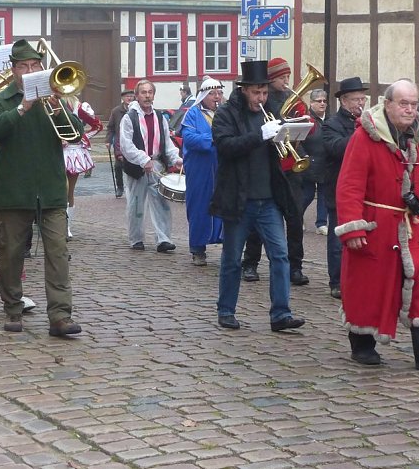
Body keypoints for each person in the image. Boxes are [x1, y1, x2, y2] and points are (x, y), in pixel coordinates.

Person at [335, 79, 419, 369]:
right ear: (388, 104)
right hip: (376, 225)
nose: (410, 109)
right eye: (403, 103)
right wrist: (353, 227)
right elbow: (349, 185)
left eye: (413, 104)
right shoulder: (364, 138)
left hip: (414, 223)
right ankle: (362, 344)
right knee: (369, 287)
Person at [0, 39, 84, 335]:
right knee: (10, 253)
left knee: (58, 252)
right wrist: (22, 109)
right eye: (24, 66)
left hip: (51, 190)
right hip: (14, 191)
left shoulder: (55, 99)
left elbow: (75, 134)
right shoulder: (1, 100)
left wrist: (58, 107)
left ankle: (60, 316)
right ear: (14, 70)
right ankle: (13, 309)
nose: (30, 70)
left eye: (35, 65)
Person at [211, 60, 306, 332]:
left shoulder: (272, 112)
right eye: (256, 93)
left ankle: (281, 314)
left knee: (280, 256)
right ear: (244, 91)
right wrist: (259, 135)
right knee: (231, 259)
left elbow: (280, 155)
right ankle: (226, 310)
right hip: (239, 199)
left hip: (268, 200)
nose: (261, 98)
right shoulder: (226, 114)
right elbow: (226, 146)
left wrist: (290, 138)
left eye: (264, 93)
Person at [241, 57, 310, 285]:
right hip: (269, 168)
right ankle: (250, 263)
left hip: (291, 168)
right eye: (282, 77)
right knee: (259, 219)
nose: (286, 81)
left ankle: (295, 266)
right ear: (270, 80)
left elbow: (311, 129)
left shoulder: (295, 100)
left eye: (288, 77)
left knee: (294, 218)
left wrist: (304, 123)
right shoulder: (262, 102)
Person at [118, 79, 183, 252]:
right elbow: (126, 144)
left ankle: (163, 239)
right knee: (137, 203)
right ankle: (136, 238)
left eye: (150, 92)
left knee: (161, 202)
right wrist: (142, 159)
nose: (147, 96)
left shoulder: (159, 116)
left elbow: (166, 141)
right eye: (143, 92)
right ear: (137, 96)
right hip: (137, 166)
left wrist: (175, 157)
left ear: (153, 95)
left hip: (156, 164)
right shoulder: (129, 117)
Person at [321, 76, 368, 299]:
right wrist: (361, 132)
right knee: (337, 237)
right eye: (356, 99)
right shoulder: (332, 124)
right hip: (338, 187)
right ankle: (336, 281)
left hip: (363, 188)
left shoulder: (366, 121)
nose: (361, 103)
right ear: (344, 102)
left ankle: (358, 277)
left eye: (363, 98)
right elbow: (336, 148)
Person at [181, 77, 224, 266]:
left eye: (219, 93)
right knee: (199, 206)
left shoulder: (225, 114)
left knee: (225, 206)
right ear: (204, 95)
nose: (217, 97)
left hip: (222, 168)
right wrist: (213, 138)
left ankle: (227, 245)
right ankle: (198, 249)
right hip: (200, 169)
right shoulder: (192, 114)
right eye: (213, 93)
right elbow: (189, 138)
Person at [62, 95, 103, 239]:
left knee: (69, 192)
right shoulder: (48, 102)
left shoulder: (77, 106)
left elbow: (97, 125)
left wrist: (81, 137)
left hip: (72, 151)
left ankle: (66, 226)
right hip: (53, 151)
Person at [300, 88, 329, 235]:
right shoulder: (306, 119)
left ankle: (321, 224)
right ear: (311, 103)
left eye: (324, 101)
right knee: (308, 194)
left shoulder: (329, 120)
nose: (322, 104)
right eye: (319, 101)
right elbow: (298, 142)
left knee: (324, 194)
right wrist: (304, 157)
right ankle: (298, 216)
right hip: (309, 163)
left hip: (325, 164)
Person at [106, 89, 135, 198]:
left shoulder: (136, 110)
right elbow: (110, 128)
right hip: (119, 142)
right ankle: (120, 187)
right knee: (118, 166)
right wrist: (108, 141)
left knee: (132, 165)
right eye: (127, 96)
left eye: (131, 96)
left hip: (133, 142)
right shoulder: (116, 111)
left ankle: (132, 187)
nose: (130, 98)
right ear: (123, 98)